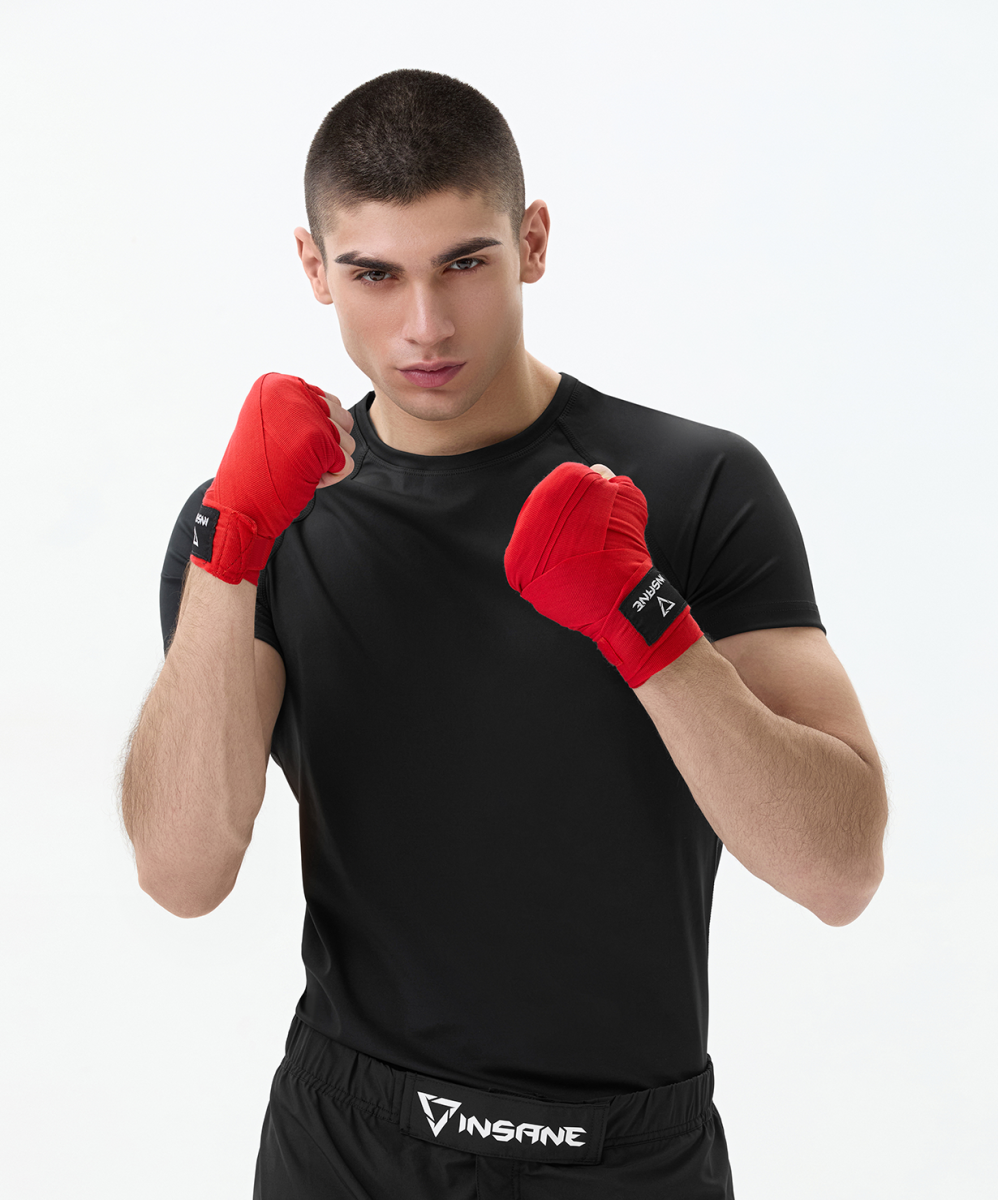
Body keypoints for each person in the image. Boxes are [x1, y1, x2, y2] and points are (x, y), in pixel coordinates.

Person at [120, 68, 888, 1199]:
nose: (424, 325)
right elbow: (182, 874)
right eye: (375, 274)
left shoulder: (694, 487)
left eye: (464, 264)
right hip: (346, 1146)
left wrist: (646, 623)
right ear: (314, 268)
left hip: (624, 1154)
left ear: (531, 243)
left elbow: (840, 871)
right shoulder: (257, 516)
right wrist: (227, 550)